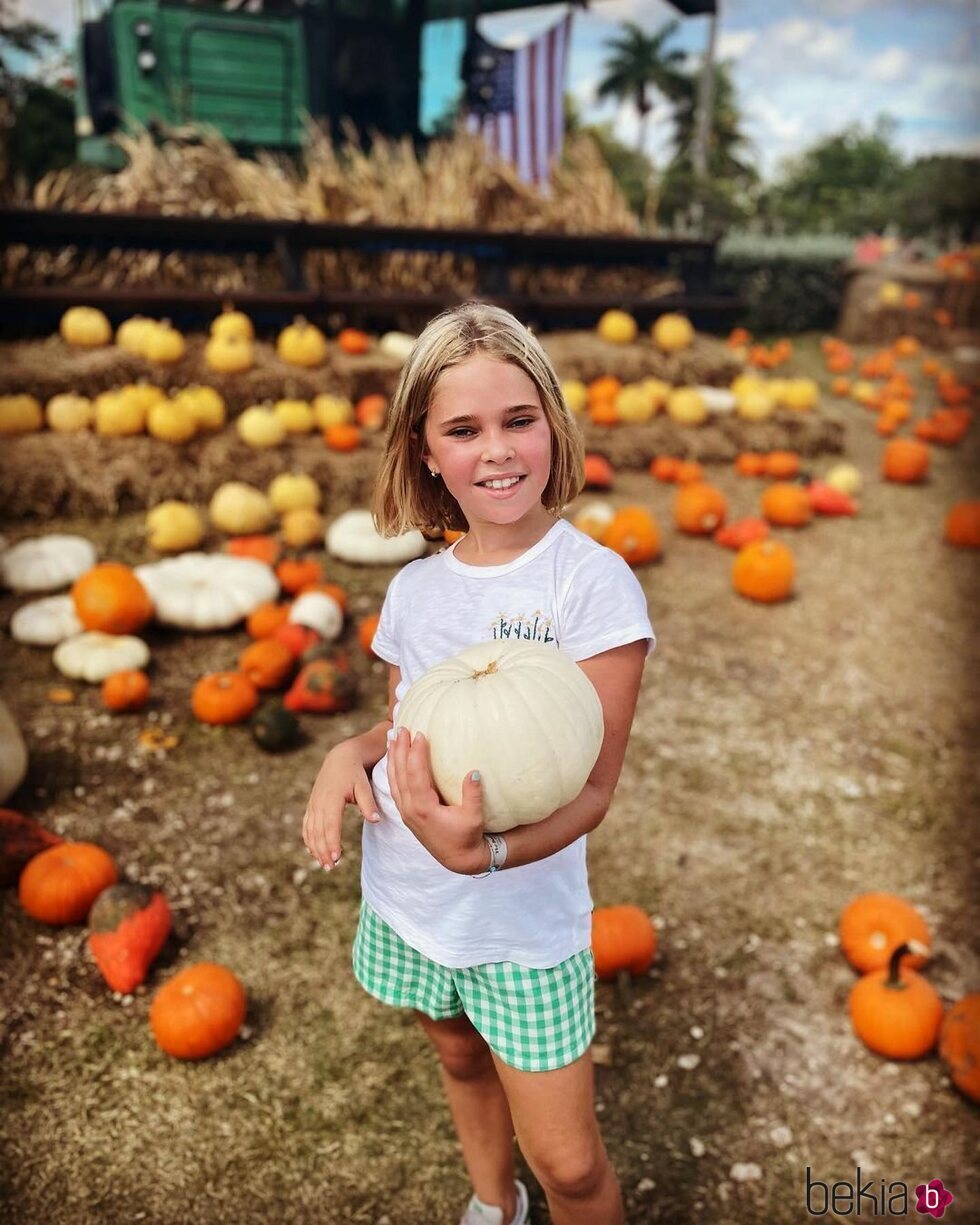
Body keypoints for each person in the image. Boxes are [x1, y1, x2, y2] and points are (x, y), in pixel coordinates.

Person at [302, 302, 655, 1225]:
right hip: (415, 898)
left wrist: (487, 855)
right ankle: (494, 1205)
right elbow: (412, 721)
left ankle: (541, 1196)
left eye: (518, 420)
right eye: (463, 429)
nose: (496, 451)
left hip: (521, 924)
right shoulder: (416, 591)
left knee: (573, 1166)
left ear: (553, 426)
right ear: (424, 449)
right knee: (460, 1057)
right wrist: (352, 748)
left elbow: (595, 788)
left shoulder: (590, 584)